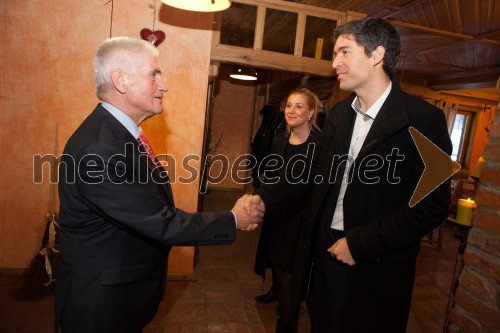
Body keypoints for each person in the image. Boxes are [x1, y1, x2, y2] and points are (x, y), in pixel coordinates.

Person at [247, 17, 452, 332]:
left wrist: (361, 244)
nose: (334, 63)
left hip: (374, 266)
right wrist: (263, 197)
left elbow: (432, 206)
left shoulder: (424, 120)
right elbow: (312, 174)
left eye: (344, 52)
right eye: (335, 54)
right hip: (323, 254)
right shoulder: (340, 115)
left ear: (376, 55)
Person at [55, 36, 263, 333]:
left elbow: (148, 205)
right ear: (121, 80)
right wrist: (233, 220)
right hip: (100, 304)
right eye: (154, 73)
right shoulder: (99, 149)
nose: (163, 85)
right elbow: (159, 222)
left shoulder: (120, 134)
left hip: (120, 293)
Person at [253, 88, 321, 332]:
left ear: (311, 112)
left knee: (290, 271)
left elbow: (308, 184)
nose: (291, 111)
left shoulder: (318, 144)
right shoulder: (281, 138)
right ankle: (279, 297)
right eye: (289, 105)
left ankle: (287, 324)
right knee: (277, 263)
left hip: (300, 217)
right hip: (278, 212)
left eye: (299, 106)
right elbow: (273, 174)